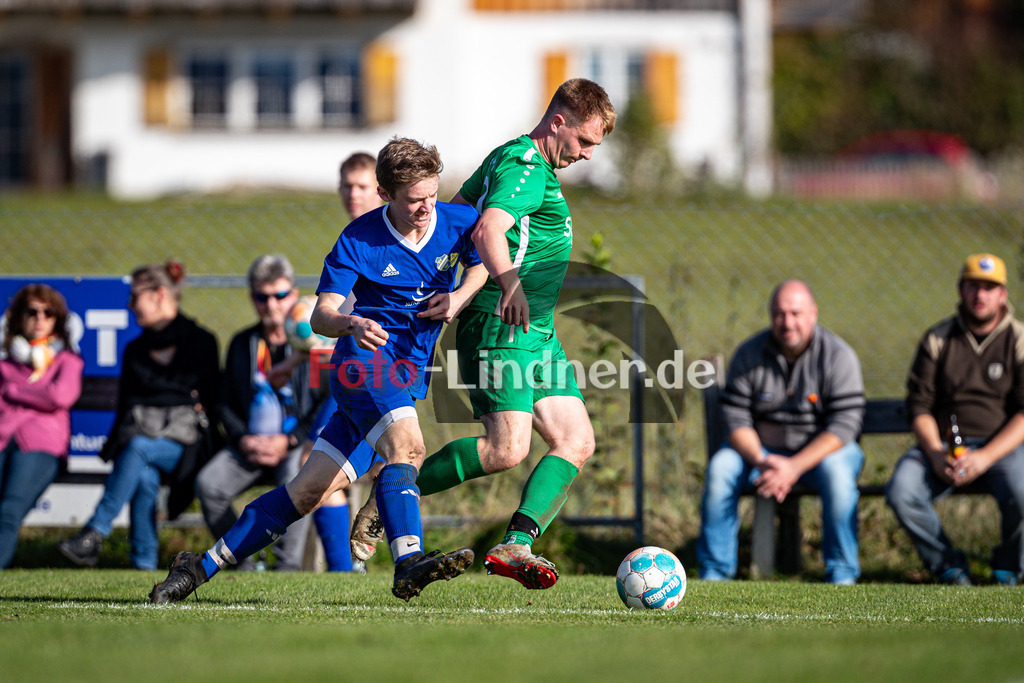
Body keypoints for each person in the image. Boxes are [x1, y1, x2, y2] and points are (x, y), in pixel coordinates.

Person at [149, 137, 486, 603]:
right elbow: (321, 315)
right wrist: (353, 322)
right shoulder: (357, 239)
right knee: (408, 448)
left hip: (406, 376)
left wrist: (459, 297)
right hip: (363, 366)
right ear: (386, 194)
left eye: (432, 194)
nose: (427, 207)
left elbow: (481, 263)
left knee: (306, 493)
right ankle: (408, 560)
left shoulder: (456, 221)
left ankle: (197, 567)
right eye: (414, 199)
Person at [349, 78, 616, 590]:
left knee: (576, 440)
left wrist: (455, 290)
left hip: (536, 330)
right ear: (558, 122)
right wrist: (507, 285)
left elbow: (453, 214)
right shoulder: (524, 168)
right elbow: (487, 228)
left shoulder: (510, 158)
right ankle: (391, 490)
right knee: (506, 449)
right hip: (502, 323)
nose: (587, 154)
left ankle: (515, 543)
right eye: (584, 141)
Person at [697, 280, 866, 585]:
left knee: (839, 474)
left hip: (823, 455)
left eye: (795, 314)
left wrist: (794, 466)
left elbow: (844, 426)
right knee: (721, 469)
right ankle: (715, 572)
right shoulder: (749, 354)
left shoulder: (839, 356)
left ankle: (842, 573)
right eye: (779, 314)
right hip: (759, 455)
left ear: (813, 314)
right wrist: (763, 460)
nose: (787, 323)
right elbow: (735, 420)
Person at [58, 262, 218, 570]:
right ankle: (143, 564)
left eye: (135, 297)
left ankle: (94, 532)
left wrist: (164, 397)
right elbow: (129, 404)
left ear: (160, 294)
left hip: (190, 448)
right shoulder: (135, 350)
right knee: (143, 474)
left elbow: (206, 398)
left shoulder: (201, 341)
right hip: (145, 447)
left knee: (139, 448)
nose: (130, 306)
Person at [886, 253, 1024, 586]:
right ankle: (948, 566)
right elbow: (919, 406)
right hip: (944, 449)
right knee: (902, 489)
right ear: (961, 290)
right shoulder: (938, 339)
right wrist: (935, 453)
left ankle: (1009, 566)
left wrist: (986, 456)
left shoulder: (1018, 339)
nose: (980, 295)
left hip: (1002, 449)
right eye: (973, 286)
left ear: (1003, 294)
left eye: (989, 287)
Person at [193, 255, 320, 573]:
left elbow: (325, 403)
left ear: (294, 294)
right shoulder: (242, 343)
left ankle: (287, 566)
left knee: (302, 476)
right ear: (252, 298)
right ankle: (241, 562)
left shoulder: (313, 344)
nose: (271, 304)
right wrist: (243, 439)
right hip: (248, 446)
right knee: (208, 484)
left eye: (280, 295)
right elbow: (223, 403)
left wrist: (291, 440)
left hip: (294, 446)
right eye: (262, 297)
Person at [302, 152, 387, 573]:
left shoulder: (386, 240)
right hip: (347, 375)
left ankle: (366, 563)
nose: (353, 194)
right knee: (320, 469)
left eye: (362, 186)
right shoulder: (352, 240)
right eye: (347, 186)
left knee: (391, 463)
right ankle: (347, 569)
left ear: (381, 190)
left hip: (381, 377)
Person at [0, 284, 84, 568]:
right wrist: (39, 395)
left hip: (42, 445)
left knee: (9, 510)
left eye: (48, 313)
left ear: (57, 319)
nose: (39, 318)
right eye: (32, 311)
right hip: (3, 440)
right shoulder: (6, 363)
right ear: (18, 317)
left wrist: (14, 392)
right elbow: (48, 396)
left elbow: (60, 396)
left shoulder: (67, 360)